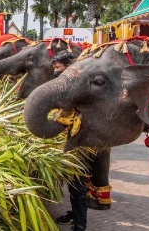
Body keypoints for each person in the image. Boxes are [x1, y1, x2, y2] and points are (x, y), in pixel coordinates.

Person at [52, 51, 88, 231]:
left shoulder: (79, 83)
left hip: (81, 142)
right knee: (73, 184)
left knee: (78, 183)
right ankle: (74, 214)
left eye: (58, 67)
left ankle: (80, 225)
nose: (55, 71)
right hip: (71, 138)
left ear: (68, 66)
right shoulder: (67, 82)